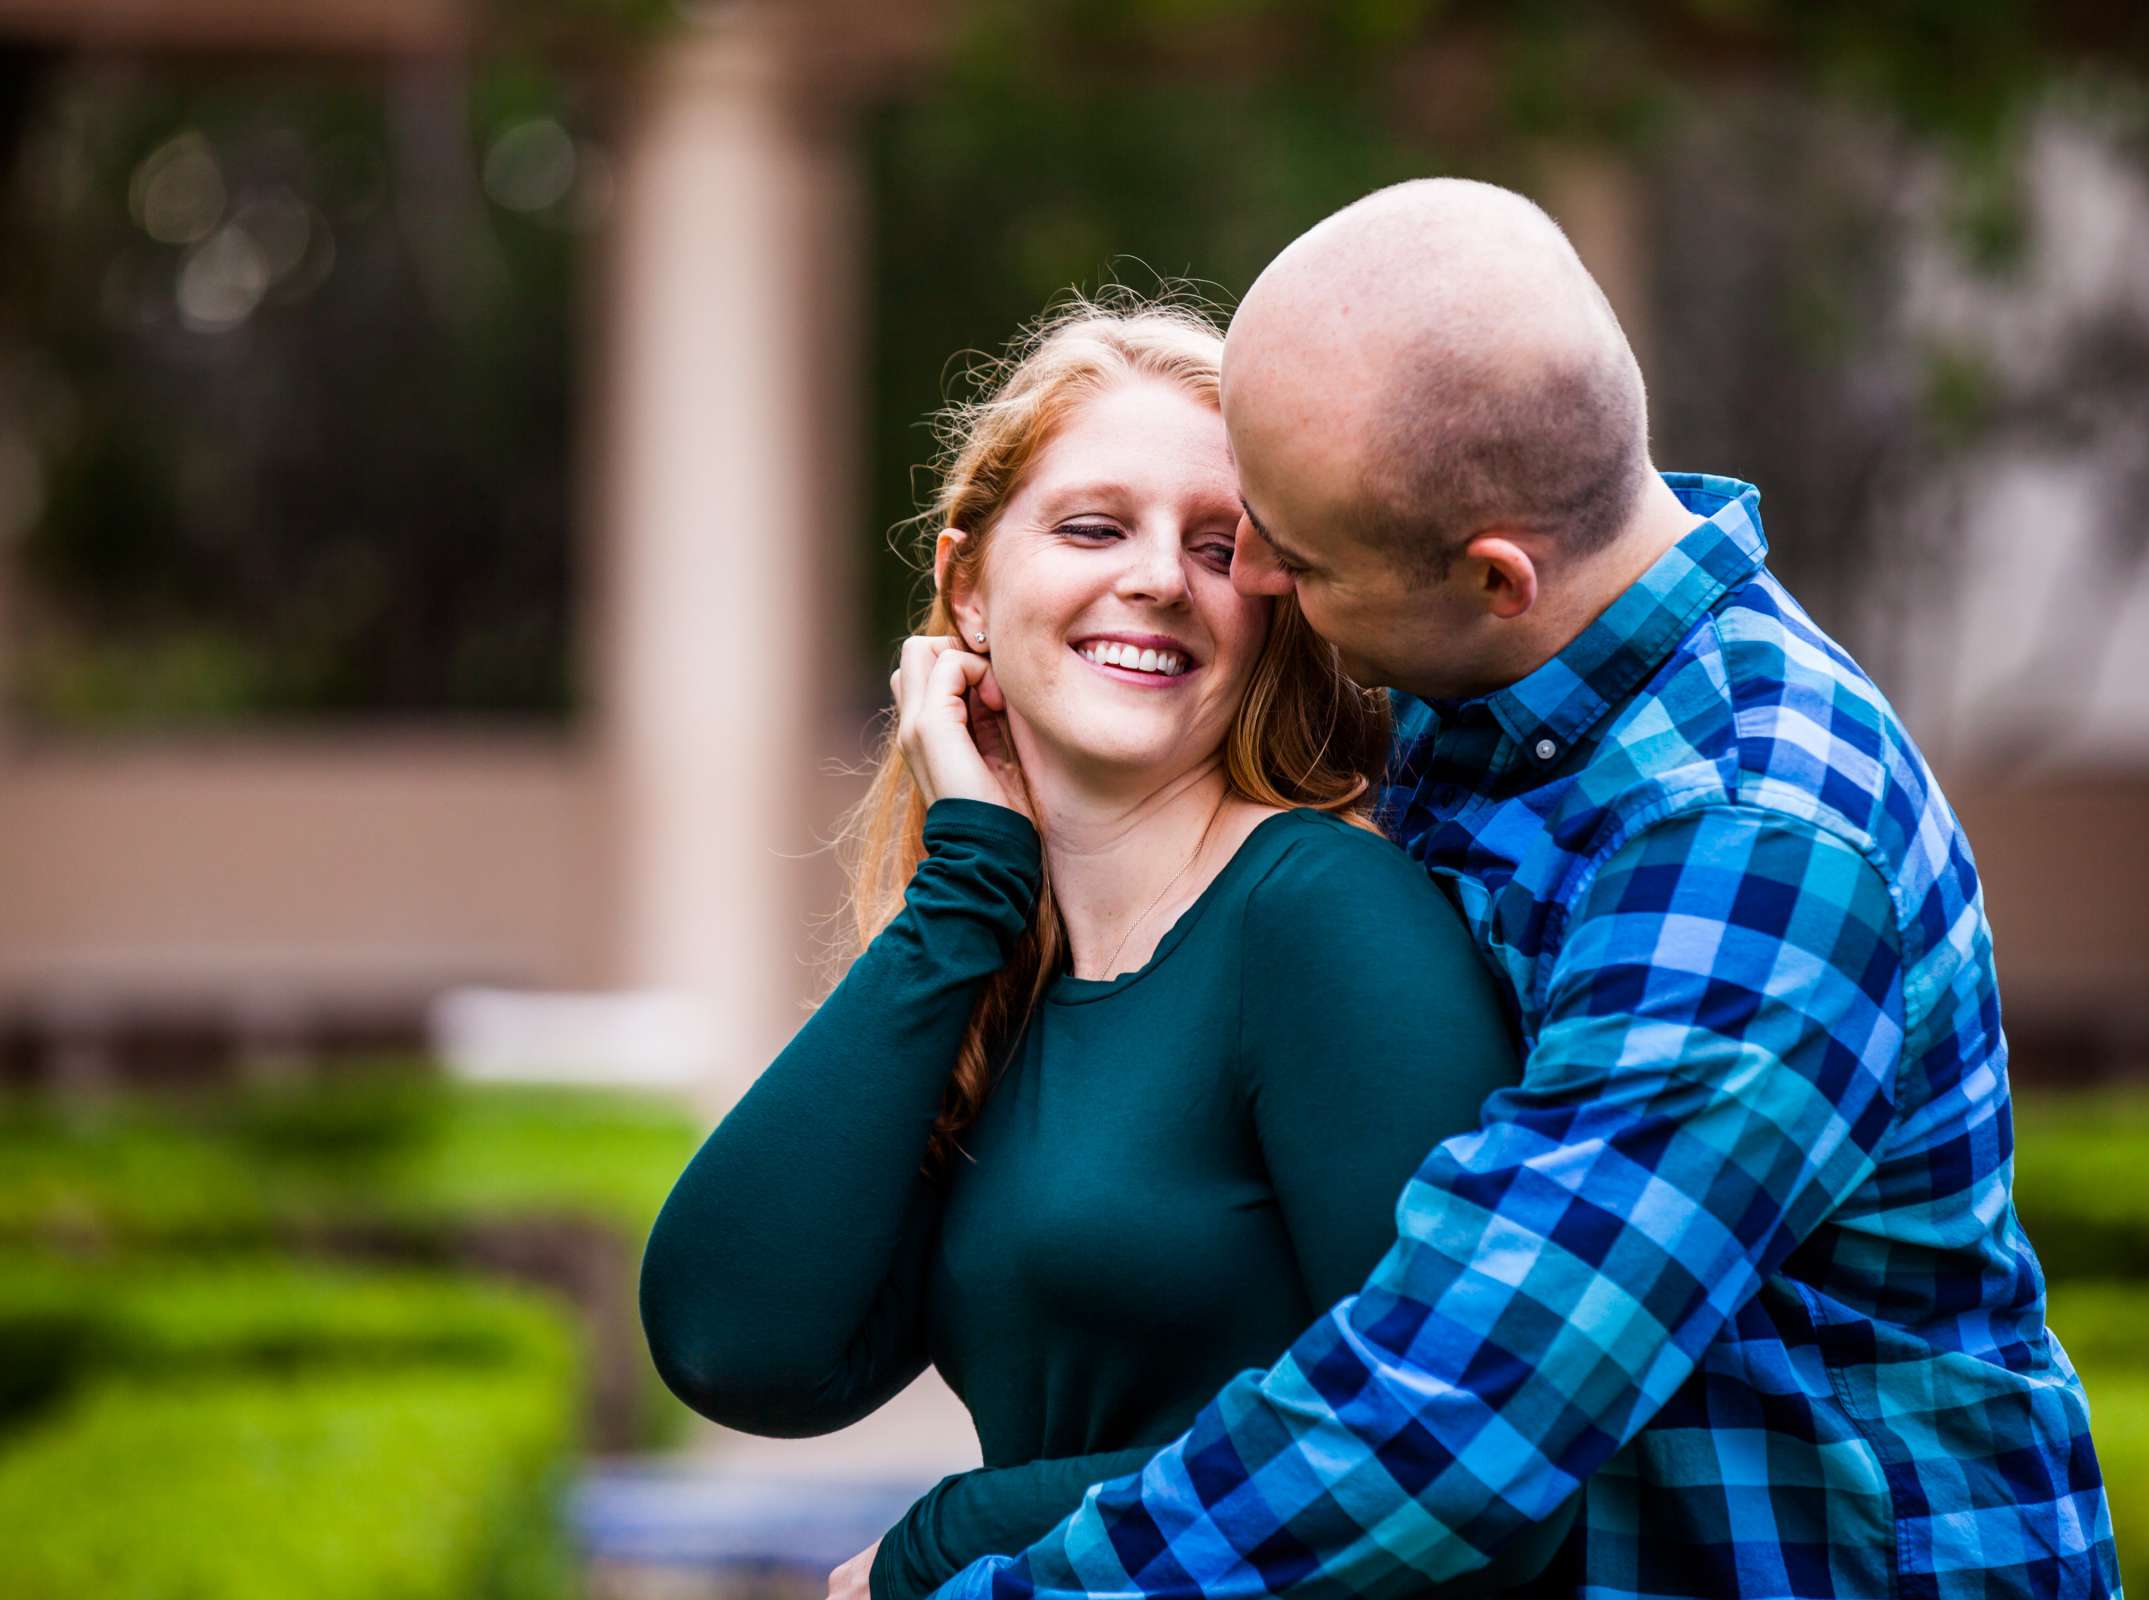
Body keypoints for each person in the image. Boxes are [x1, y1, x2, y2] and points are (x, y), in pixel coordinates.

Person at [916, 181, 2121, 1600]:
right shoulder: (1475, 693)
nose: (1245, 579)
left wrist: (989, 1579)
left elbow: (1457, 1414)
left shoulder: (1751, 842)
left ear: (1496, 575)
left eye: (1288, 557)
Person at [635, 295, 1585, 1600]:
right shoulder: (1005, 967)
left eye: (1217, 547)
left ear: (1273, 607)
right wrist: (967, 890)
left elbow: (1472, 1468)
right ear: (968, 588)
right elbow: (734, 1341)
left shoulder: (1321, 920)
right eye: (1094, 526)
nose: (1155, 577)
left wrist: (952, 1536)